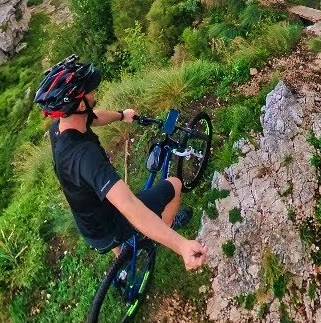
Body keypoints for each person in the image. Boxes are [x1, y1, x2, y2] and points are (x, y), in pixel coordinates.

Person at [35, 55, 207, 270]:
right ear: (80, 104)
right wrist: (181, 245)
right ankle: (165, 228)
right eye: (90, 90)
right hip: (109, 227)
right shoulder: (86, 157)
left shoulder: (60, 129)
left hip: (88, 224)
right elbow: (129, 205)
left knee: (109, 220)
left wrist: (121, 115)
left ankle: (122, 261)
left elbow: (93, 117)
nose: (94, 92)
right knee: (175, 184)